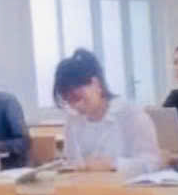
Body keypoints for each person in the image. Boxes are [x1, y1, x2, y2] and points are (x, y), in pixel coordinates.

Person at [54, 48, 161, 176]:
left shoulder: (130, 114)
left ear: (96, 83)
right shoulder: (73, 119)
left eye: (77, 98)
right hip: (84, 186)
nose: (75, 106)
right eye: (68, 101)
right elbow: (71, 162)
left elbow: (152, 163)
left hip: (124, 187)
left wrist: (113, 164)